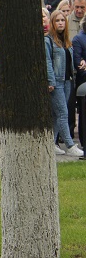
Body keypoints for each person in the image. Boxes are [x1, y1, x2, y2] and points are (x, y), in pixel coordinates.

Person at [45, 11, 84, 156]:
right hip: (57, 81)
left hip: (68, 80)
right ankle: (69, 144)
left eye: (63, 20)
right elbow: (48, 62)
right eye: (57, 20)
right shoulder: (48, 41)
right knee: (63, 113)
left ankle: (51, 143)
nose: (61, 23)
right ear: (52, 23)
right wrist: (50, 81)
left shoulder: (67, 41)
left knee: (56, 114)